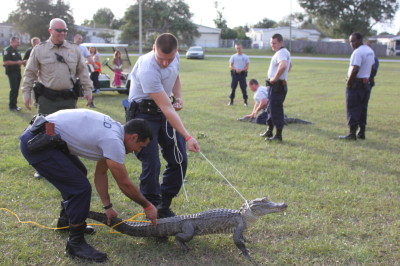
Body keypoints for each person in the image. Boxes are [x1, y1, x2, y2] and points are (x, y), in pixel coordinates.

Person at [19, 109, 158, 262]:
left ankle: (66, 221)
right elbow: (124, 184)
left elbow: (101, 174)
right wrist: (147, 206)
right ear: (134, 137)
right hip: (37, 143)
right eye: (141, 146)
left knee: (79, 173)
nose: (137, 151)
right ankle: (75, 244)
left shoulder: (114, 130)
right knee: (80, 188)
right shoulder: (114, 141)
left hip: (44, 137)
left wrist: (107, 207)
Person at [126, 33, 200, 218]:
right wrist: (187, 136)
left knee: (179, 159)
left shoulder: (174, 58)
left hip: (163, 112)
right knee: (152, 163)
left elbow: (175, 76)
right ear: (153, 48)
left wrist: (179, 96)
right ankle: (152, 208)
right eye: (161, 58)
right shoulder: (147, 68)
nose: (165, 63)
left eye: (170, 58)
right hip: (143, 115)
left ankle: (163, 205)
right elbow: (166, 107)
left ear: (176, 52)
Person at [21, 18, 93, 115]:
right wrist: (26, 93)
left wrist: (88, 90)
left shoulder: (74, 49)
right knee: (47, 129)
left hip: (68, 99)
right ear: (50, 31)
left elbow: (83, 71)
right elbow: (30, 73)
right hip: (47, 100)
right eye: (59, 30)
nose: (62, 33)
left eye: (65, 30)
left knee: (67, 129)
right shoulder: (39, 49)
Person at [339, 32, 375, 140]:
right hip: (366, 83)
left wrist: (349, 82)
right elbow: (372, 67)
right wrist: (371, 79)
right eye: (350, 41)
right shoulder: (369, 51)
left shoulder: (357, 52)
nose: (351, 44)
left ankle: (352, 133)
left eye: (353, 41)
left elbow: (355, 69)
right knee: (363, 108)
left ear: (359, 40)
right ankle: (361, 132)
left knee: (353, 108)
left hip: (356, 84)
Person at [261, 33, 291, 142]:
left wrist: (274, 78)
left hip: (277, 86)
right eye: (271, 43)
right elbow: (289, 66)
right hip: (276, 86)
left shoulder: (281, 53)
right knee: (270, 109)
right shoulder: (284, 52)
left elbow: (283, 65)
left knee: (276, 110)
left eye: (274, 43)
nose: (272, 45)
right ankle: (269, 130)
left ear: (280, 43)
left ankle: (278, 136)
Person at [2, 37, 24, 111]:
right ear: (12, 42)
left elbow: (19, 60)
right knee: (14, 88)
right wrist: (17, 62)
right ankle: (12, 106)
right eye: (17, 42)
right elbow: (5, 62)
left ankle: (14, 105)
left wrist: (22, 62)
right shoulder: (7, 50)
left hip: (17, 71)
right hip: (11, 72)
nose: (19, 43)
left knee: (16, 88)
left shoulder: (17, 50)